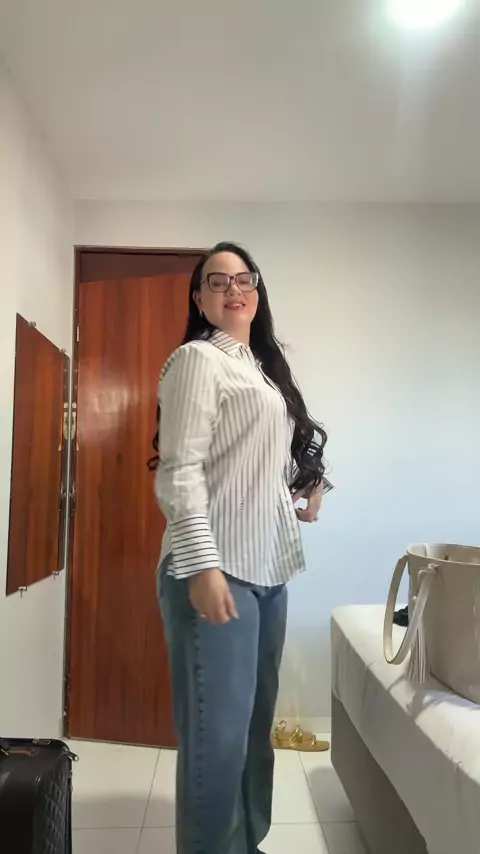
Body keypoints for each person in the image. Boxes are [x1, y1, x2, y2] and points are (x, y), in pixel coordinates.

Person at [151, 242, 327, 854]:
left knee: (254, 734)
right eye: (217, 280)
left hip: (269, 570)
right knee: (217, 747)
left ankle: (245, 845)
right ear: (199, 299)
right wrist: (202, 565)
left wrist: (304, 492)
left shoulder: (261, 371)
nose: (233, 288)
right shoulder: (198, 359)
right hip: (216, 569)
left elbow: (252, 466)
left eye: (244, 278)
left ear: (257, 292)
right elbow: (180, 471)